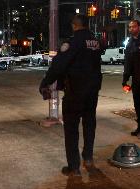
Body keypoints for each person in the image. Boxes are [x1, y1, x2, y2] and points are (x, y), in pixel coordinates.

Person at [39, 14, 102, 177]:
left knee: (72, 129)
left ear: (75, 25)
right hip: (92, 92)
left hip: (75, 91)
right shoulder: (95, 42)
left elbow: (58, 65)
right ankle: (88, 158)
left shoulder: (72, 42)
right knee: (89, 125)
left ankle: (74, 167)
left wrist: (45, 82)